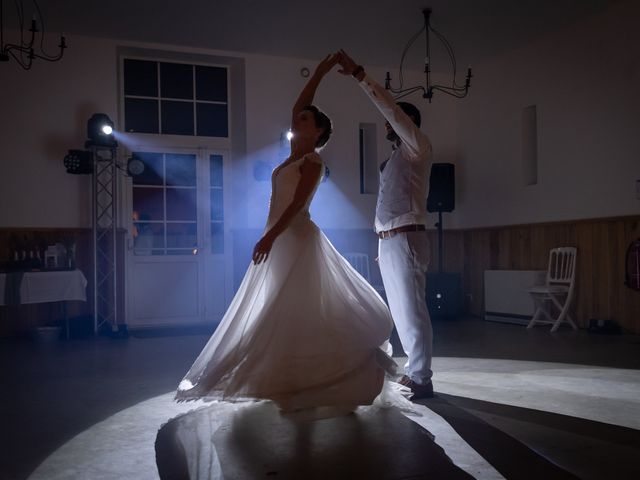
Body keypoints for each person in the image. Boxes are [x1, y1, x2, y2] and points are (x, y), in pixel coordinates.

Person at [175, 54, 395, 413]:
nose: (297, 120)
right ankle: (288, 380)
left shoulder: (313, 162)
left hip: (295, 238)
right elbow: (299, 104)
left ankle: (333, 376)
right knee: (282, 312)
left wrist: (269, 237)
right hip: (280, 238)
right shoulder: (293, 155)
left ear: (318, 131)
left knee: (296, 311)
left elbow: (295, 206)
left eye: (305, 119)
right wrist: (321, 71)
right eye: (299, 118)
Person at [336, 49, 434, 400]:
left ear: (408, 124)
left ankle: (423, 377)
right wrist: (383, 240)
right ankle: (415, 372)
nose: (390, 127)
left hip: (406, 237)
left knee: (411, 310)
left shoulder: (417, 146)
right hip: (391, 239)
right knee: (401, 309)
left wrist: (361, 75)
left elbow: (391, 111)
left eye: (397, 123)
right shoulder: (395, 157)